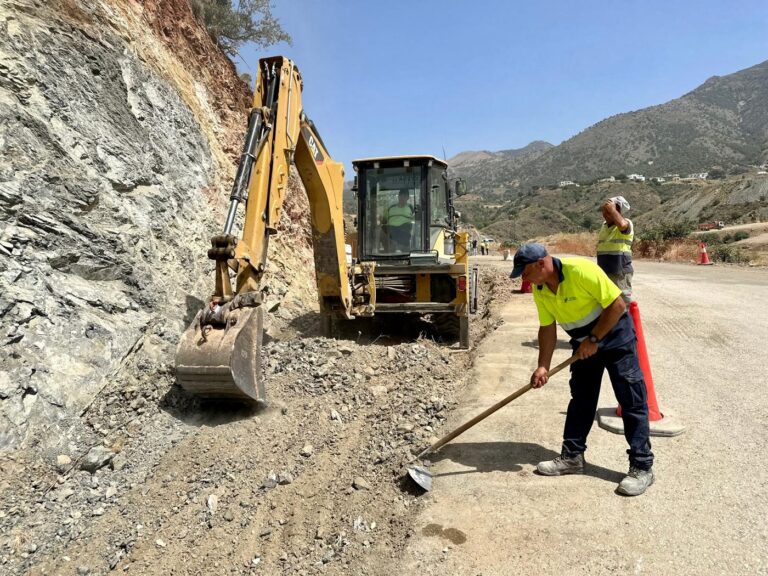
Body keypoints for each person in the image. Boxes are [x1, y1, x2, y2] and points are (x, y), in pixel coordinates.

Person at [509, 243, 654, 496]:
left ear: (541, 264)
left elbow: (618, 305)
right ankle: (573, 457)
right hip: (584, 344)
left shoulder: (581, 271)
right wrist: (543, 365)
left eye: (526, 272)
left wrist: (594, 339)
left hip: (615, 336)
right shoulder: (541, 289)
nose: (524, 278)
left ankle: (642, 466)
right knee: (581, 400)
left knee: (631, 400)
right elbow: (547, 328)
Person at [597, 196, 634, 303]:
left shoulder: (626, 222)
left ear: (618, 211)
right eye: (604, 210)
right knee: (608, 304)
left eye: (608, 210)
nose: (605, 213)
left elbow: (623, 226)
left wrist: (613, 210)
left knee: (622, 304)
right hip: (604, 272)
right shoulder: (604, 226)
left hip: (620, 273)